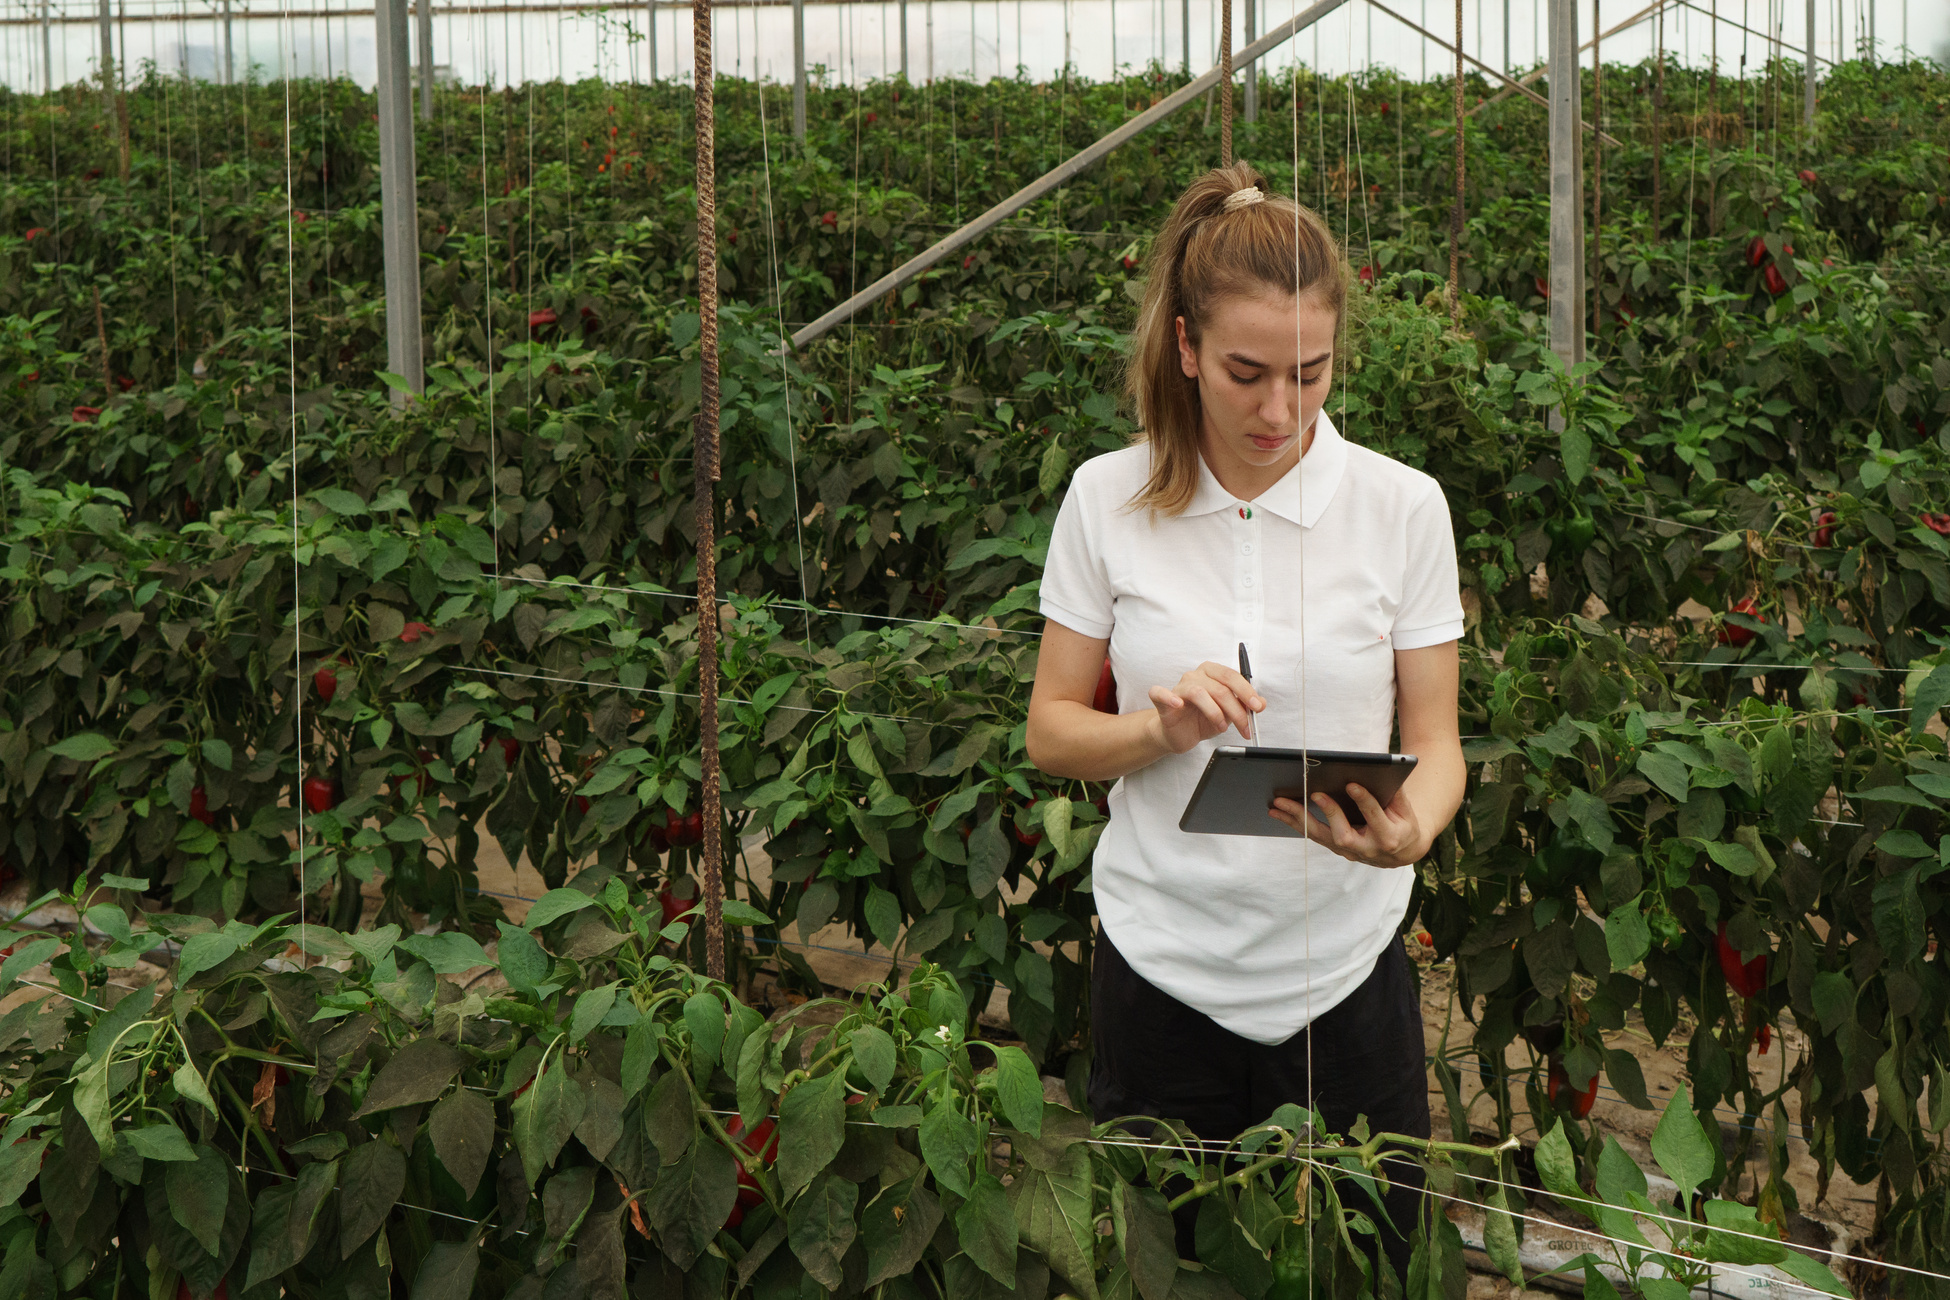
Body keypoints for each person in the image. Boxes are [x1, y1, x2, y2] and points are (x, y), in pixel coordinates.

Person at [1024, 162, 1467, 1279]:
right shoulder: (1108, 500)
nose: (1280, 412)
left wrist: (1409, 831)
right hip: (1161, 973)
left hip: (1346, 980)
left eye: (1311, 374)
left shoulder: (1402, 508)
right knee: (1168, 1270)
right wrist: (1156, 732)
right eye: (1247, 373)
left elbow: (1439, 741)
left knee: (1366, 1272)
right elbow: (1052, 730)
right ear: (1185, 347)